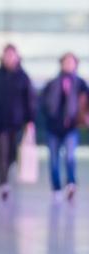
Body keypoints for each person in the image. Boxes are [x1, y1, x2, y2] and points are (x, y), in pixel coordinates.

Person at [0, 44, 36, 200]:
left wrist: (30, 120)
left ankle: (5, 175)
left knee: (12, 154)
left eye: (12, 55)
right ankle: (3, 183)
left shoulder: (23, 77)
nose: (9, 58)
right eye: (7, 55)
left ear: (17, 57)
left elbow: (30, 100)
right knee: (2, 153)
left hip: (17, 123)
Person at [40, 52, 88, 201]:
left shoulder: (80, 84)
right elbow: (43, 103)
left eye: (71, 62)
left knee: (70, 156)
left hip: (71, 128)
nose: (69, 65)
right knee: (54, 159)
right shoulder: (53, 83)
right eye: (66, 62)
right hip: (53, 127)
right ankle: (56, 188)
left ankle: (71, 183)